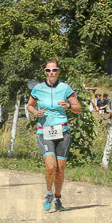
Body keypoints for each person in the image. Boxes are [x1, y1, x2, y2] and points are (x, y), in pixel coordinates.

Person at [27, 60, 82, 212]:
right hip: (44, 131)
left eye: (54, 70)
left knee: (60, 169)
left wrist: (69, 106)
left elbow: (79, 108)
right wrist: (35, 113)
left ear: (58, 71)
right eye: (48, 70)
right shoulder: (38, 88)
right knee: (51, 167)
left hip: (62, 131)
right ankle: (49, 194)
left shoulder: (65, 88)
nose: (51, 73)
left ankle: (58, 198)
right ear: (45, 72)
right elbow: (30, 105)